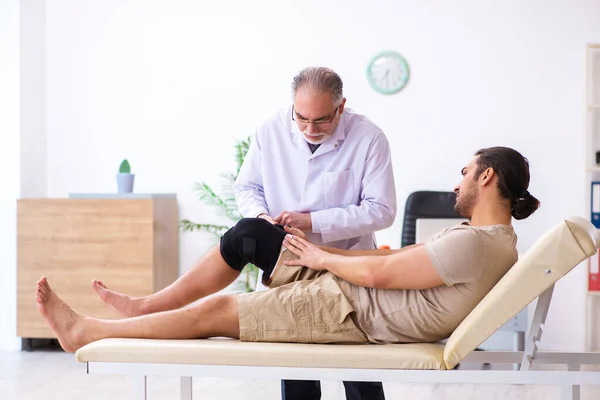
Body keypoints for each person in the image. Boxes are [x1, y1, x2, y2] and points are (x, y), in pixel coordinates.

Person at [38, 147, 540, 397]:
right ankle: (146, 305)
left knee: (216, 310)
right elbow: (384, 259)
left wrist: (323, 261)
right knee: (250, 234)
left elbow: (384, 275)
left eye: (466, 172)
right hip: (346, 289)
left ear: (487, 176)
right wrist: (320, 255)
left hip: (346, 310)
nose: (459, 182)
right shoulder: (485, 242)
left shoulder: (474, 245)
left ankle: (91, 331)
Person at [232, 66, 396, 400]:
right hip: (288, 262)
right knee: (296, 370)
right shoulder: (271, 130)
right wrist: (262, 218)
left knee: (358, 371)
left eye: (321, 120)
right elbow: (247, 188)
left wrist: (313, 221)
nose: (309, 129)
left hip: (344, 264)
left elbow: (382, 210)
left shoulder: (369, 137)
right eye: (301, 118)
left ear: (341, 106)